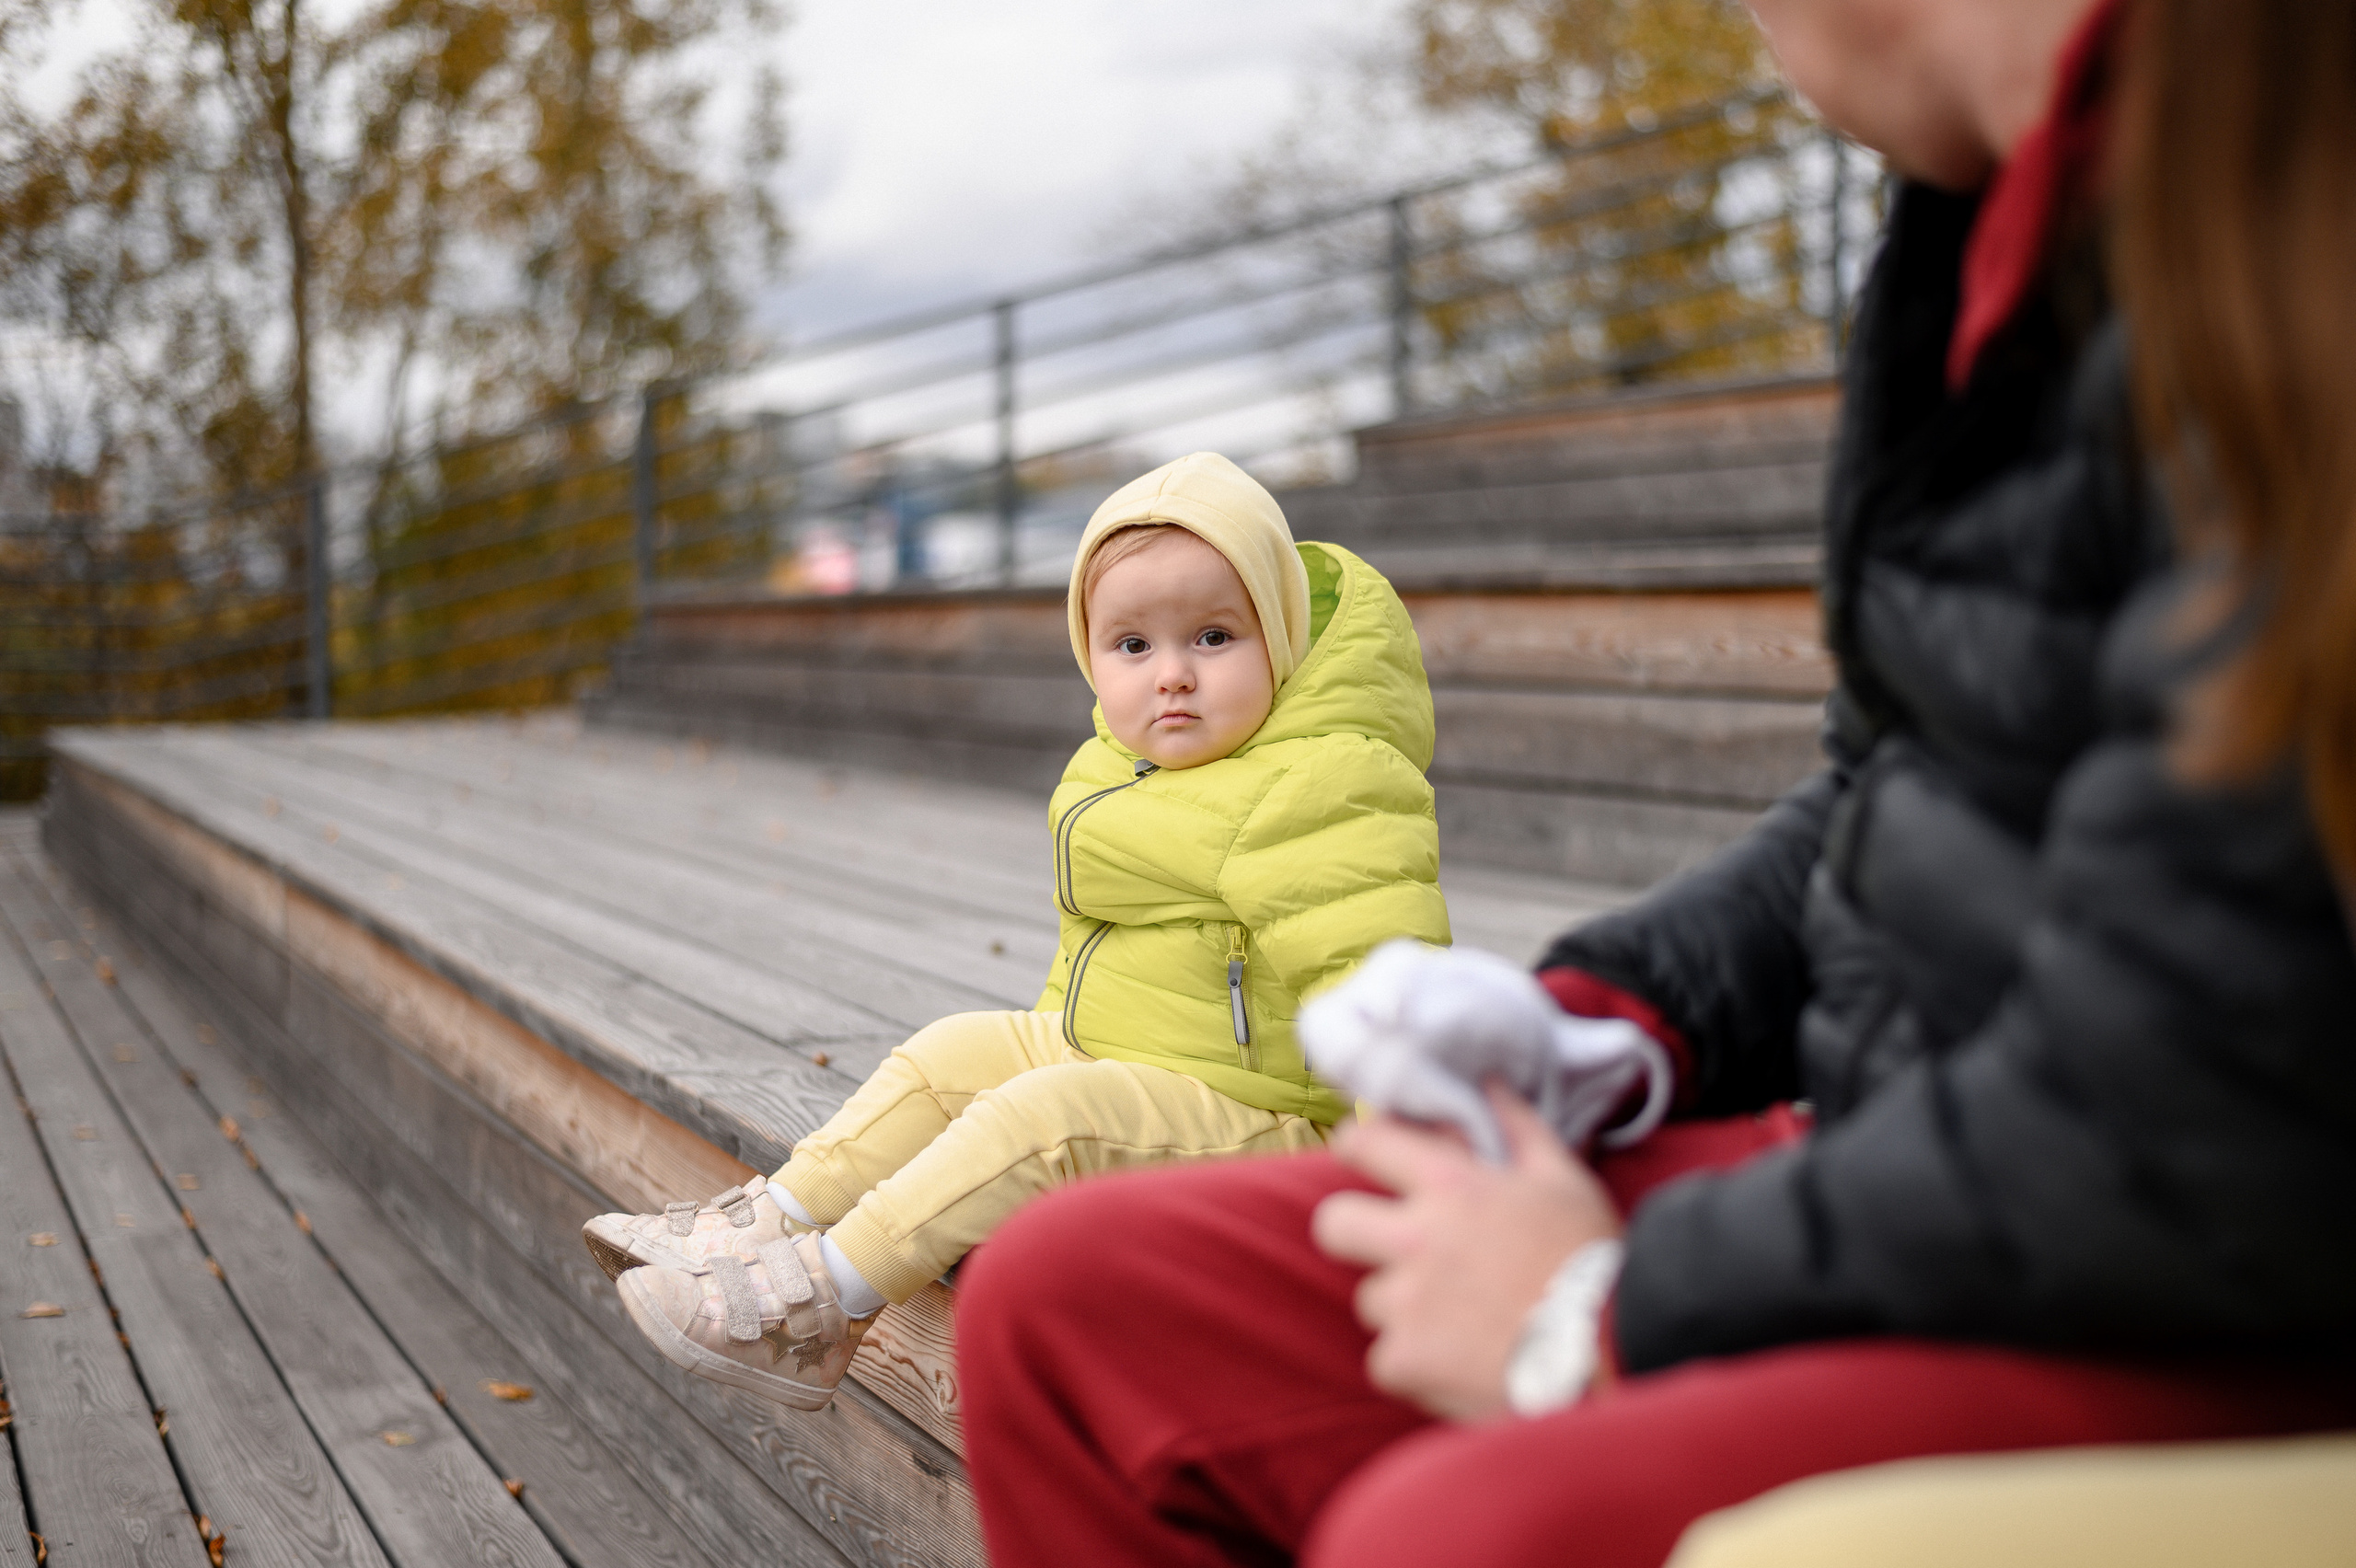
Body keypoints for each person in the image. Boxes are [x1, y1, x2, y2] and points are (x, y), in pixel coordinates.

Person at [953, 0, 2356, 1562]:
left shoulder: (2274, 222)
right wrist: (1608, 1019)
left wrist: (1613, 1301)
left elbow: (2219, 1086)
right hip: (1951, 1143)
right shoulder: (1971, 222)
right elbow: (1895, 788)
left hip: (2203, 1242)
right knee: (1070, 1308)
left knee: (1457, 1534)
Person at [581, 450, 1467, 1411]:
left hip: (1287, 1128)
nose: (1170, 676)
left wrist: (1396, 1200)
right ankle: (767, 1221)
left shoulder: (1318, 782)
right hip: (1159, 1059)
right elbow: (1097, 960)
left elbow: (1391, 992)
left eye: (1213, 638)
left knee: (1038, 1122)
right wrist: (1046, 1051)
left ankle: (819, 1308)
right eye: (1133, 646)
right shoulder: (1120, 766)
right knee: (950, 1053)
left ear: (1282, 637)